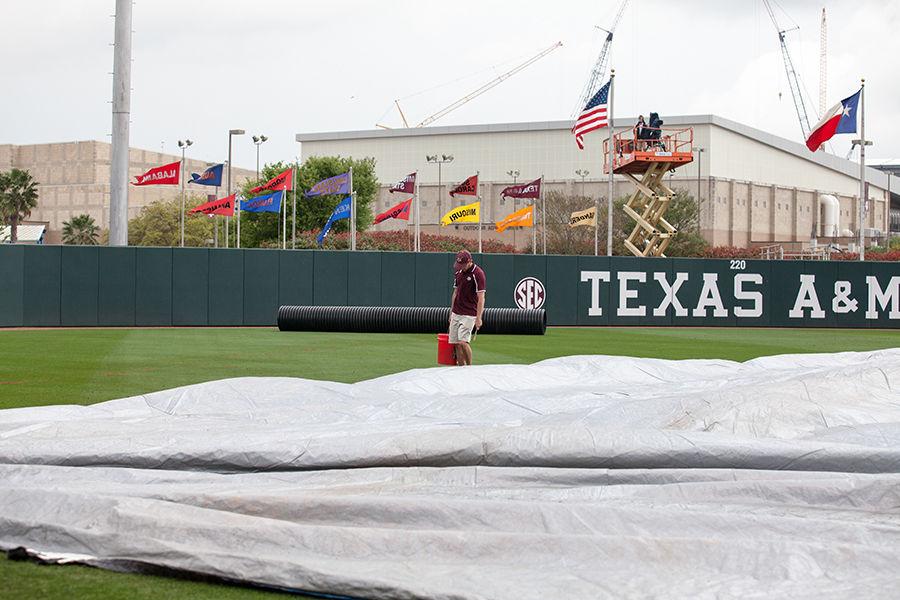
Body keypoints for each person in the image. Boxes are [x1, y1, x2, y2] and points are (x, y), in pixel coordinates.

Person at [448, 249, 486, 366]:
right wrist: (451, 312)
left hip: (469, 313)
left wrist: (479, 318)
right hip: (456, 312)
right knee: (456, 343)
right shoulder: (458, 273)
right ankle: (461, 368)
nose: (461, 267)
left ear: (470, 262)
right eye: (459, 265)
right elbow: (455, 292)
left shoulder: (478, 274)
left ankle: (470, 368)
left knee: (463, 342)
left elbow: (481, 297)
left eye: (463, 265)